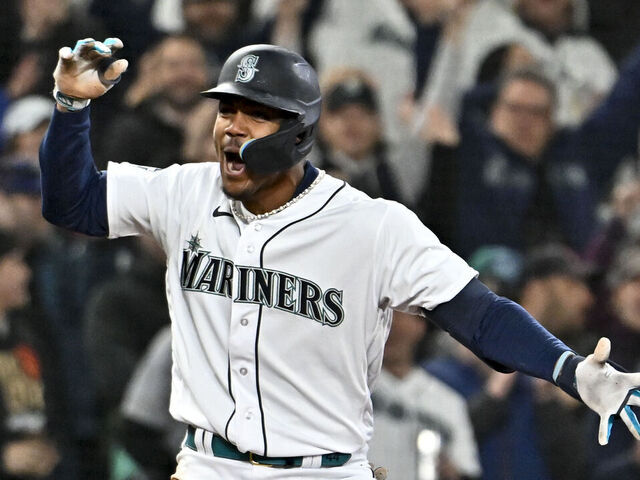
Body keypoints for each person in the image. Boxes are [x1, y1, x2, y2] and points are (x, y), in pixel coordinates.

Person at [39, 38, 640, 479]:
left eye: (256, 113)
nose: (231, 127)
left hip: (323, 471)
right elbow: (74, 205)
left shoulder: (372, 227)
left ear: (300, 132)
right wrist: (70, 109)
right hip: (207, 465)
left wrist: (570, 370)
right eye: (227, 109)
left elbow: (479, 314)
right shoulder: (184, 191)